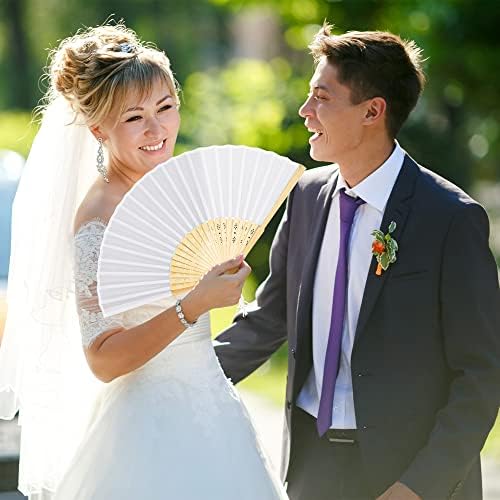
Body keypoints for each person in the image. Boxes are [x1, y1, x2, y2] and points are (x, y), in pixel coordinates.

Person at [0, 23, 288, 500]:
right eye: (134, 118)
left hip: (216, 416)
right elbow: (103, 359)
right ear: (99, 129)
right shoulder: (98, 217)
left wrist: (224, 279)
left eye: (166, 108)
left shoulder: (177, 188)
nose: (157, 130)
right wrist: (193, 305)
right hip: (144, 433)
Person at [215, 24, 500, 500]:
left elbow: (481, 374)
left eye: (321, 98)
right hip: (313, 467)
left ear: (373, 111)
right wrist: (180, 378)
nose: (305, 113)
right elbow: (269, 317)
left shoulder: (451, 219)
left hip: (408, 475)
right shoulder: (304, 196)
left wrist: (417, 486)